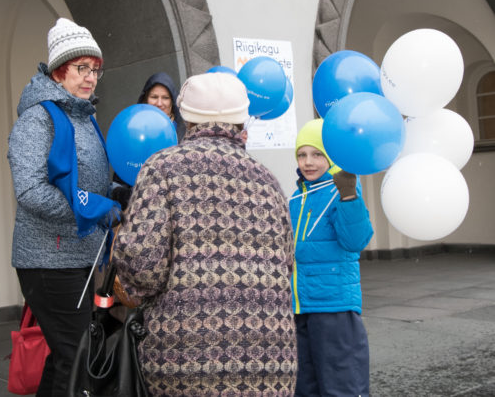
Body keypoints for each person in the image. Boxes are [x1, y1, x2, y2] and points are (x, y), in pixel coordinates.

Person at [111, 72, 297, 395]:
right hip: (271, 363)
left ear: (186, 118)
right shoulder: (269, 182)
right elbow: (288, 265)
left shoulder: (161, 169)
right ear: (242, 122)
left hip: (186, 361)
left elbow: (141, 268)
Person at [7, 18, 120, 396]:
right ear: (58, 71)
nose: (90, 78)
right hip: (47, 261)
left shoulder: (84, 117)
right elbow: (31, 191)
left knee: (65, 358)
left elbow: (90, 182)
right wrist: (96, 208)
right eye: (81, 68)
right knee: (76, 357)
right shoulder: (37, 119)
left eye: (95, 70)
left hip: (81, 258)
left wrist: (115, 194)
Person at [289, 118, 374, 397]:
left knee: (342, 383)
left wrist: (349, 197)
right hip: (299, 307)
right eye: (302, 154)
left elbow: (355, 241)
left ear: (332, 157)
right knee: (305, 386)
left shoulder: (343, 189)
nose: (308, 162)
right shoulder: (295, 198)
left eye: (317, 154)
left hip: (334, 306)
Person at [111, 71, 185, 209]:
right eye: (154, 97)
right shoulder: (131, 129)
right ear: (145, 99)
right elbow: (121, 177)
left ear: (172, 101)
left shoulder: (184, 132)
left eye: (165, 98)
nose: (159, 103)